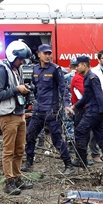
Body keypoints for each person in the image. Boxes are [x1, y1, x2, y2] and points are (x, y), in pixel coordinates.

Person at [23, 43, 76, 174]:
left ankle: (69, 165)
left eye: (49, 53)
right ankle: (29, 162)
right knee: (30, 135)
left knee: (57, 139)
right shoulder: (35, 70)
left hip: (52, 110)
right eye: (45, 53)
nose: (48, 56)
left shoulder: (55, 69)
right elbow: (35, 89)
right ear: (39, 55)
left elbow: (63, 89)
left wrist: (66, 105)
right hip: (39, 109)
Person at [0, 39, 33, 195]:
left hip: (19, 113)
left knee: (19, 149)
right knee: (9, 150)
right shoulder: (2, 71)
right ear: (12, 56)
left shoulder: (18, 69)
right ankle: (9, 181)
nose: (22, 61)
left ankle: (17, 178)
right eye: (20, 59)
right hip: (8, 115)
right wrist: (17, 89)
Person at [72, 54, 103, 171]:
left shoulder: (92, 78)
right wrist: (76, 106)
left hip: (93, 112)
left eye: (78, 65)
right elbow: (86, 97)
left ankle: (82, 160)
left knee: (80, 132)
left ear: (84, 65)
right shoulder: (87, 77)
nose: (76, 68)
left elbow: (99, 96)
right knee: (101, 137)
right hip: (96, 112)